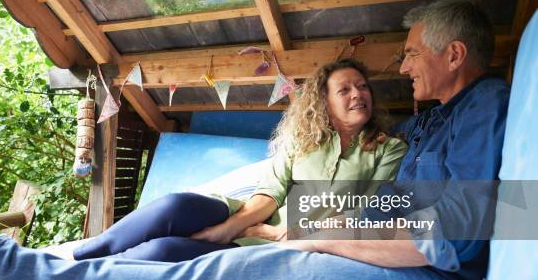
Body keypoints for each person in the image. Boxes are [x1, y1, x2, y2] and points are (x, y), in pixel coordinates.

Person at [0, 0, 510, 280]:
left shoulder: (486, 104)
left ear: (453, 54)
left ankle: (0, 267)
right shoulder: (431, 122)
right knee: (207, 254)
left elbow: (465, 226)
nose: (401, 65)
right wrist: (319, 221)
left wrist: (327, 231)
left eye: (411, 53)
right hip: (371, 247)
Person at [72, 58, 407, 262]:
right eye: (344, 90)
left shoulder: (387, 148)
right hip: (250, 219)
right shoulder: (304, 141)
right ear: (325, 102)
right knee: (173, 206)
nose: (358, 94)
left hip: (286, 245)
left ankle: (89, 275)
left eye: (362, 87)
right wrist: (230, 228)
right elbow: (271, 191)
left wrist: (278, 235)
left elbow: (367, 211)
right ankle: (83, 256)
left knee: (162, 252)